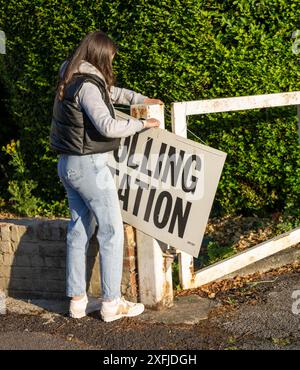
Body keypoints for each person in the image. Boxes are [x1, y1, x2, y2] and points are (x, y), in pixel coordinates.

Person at [50, 31, 162, 322]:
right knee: (112, 231)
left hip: (68, 165)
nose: (111, 61)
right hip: (90, 167)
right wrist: (141, 123)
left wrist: (140, 98)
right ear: (99, 56)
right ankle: (112, 304)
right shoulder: (87, 86)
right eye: (110, 57)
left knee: (79, 230)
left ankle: (77, 301)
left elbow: (112, 93)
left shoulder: (72, 77)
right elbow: (108, 125)